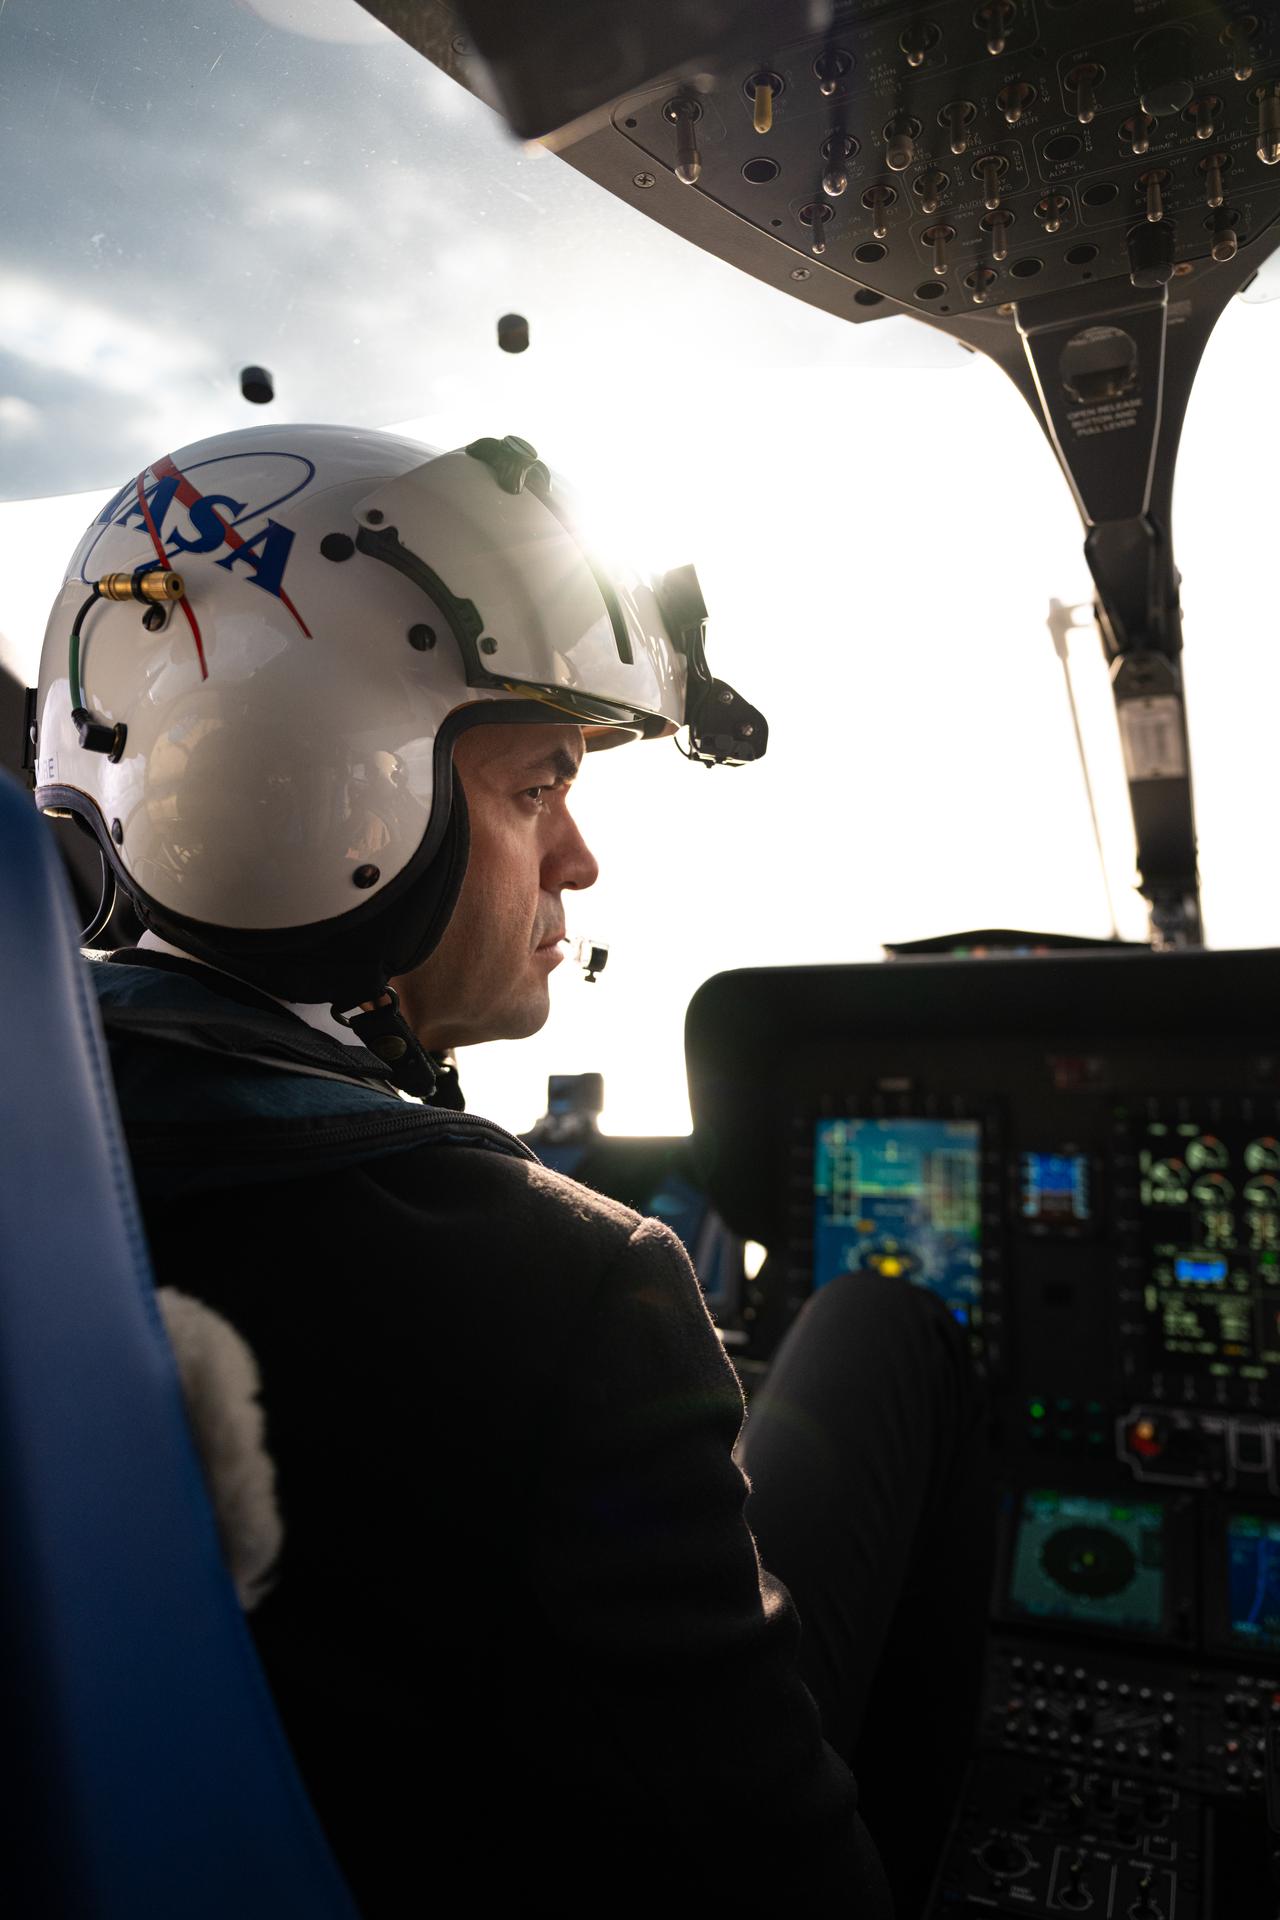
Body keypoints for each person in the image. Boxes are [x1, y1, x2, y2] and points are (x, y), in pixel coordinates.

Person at [31, 422, 992, 1917]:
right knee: (888, 1328)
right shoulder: (568, 1289)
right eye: (540, 787)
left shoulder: (46, 1152)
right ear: (331, 802)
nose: (581, 860)